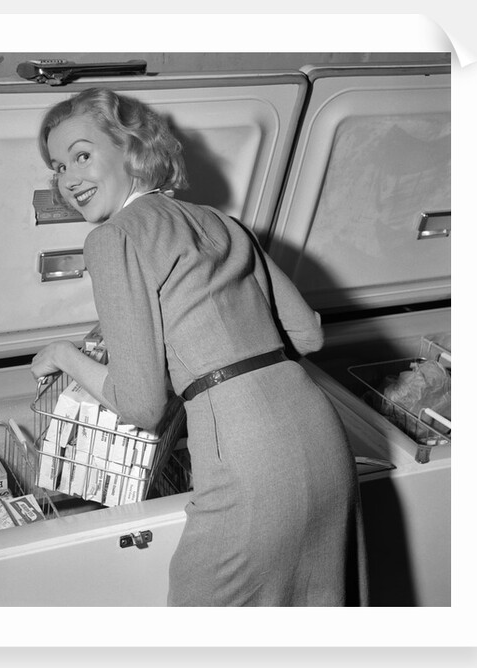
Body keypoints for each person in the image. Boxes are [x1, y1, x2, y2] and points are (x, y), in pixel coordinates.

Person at [29, 87, 367, 606]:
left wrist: (61, 354)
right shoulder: (220, 222)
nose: (68, 178)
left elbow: (142, 404)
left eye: (82, 154)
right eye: (57, 166)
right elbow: (308, 334)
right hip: (320, 436)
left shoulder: (113, 238)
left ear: (132, 150)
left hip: (245, 457)